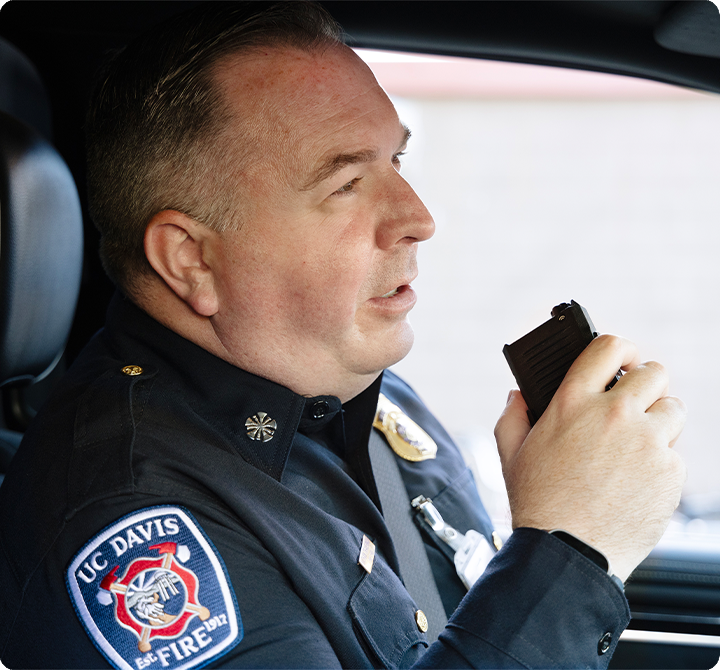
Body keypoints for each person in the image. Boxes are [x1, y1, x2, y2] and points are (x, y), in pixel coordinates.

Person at [0, 3, 686, 669]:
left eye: (398, 162)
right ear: (192, 260)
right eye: (347, 183)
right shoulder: (132, 524)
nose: (417, 217)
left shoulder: (370, 399)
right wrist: (570, 546)